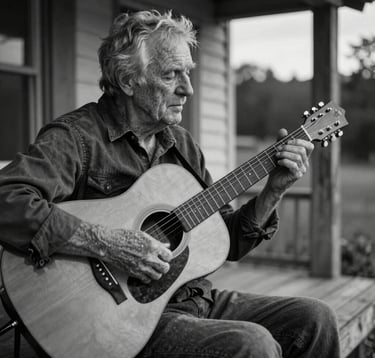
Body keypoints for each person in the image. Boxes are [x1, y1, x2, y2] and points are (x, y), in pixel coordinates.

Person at [0, 10, 340, 358]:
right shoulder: (78, 138)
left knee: (315, 319)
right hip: (118, 319)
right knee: (252, 345)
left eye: (188, 73)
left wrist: (273, 191)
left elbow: (228, 240)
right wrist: (106, 243)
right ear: (128, 81)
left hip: (192, 300)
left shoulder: (183, 145)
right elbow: (7, 199)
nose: (188, 88)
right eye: (171, 75)